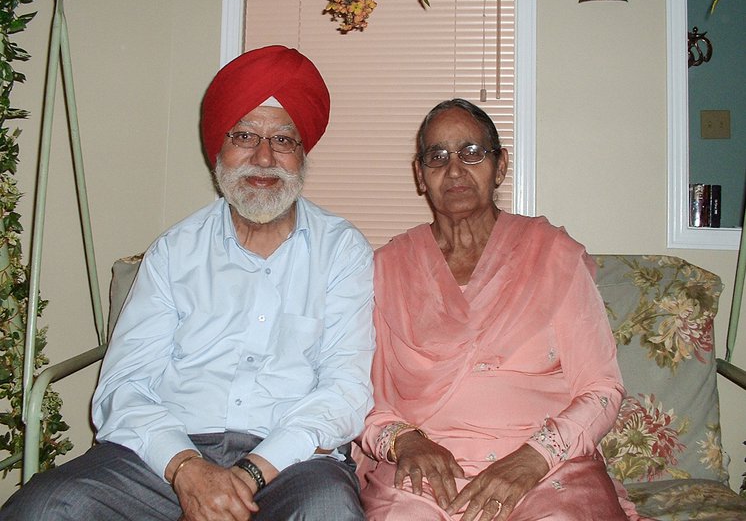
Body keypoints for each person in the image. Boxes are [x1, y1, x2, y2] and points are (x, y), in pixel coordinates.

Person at [1, 45, 375, 521]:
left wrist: (250, 474)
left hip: (290, 462)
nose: (263, 157)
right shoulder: (175, 251)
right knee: (47, 506)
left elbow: (344, 390)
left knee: (329, 510)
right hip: (163, 457)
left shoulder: (342, 250)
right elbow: (124, 384)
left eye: (283, 140)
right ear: (217, 149)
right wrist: (186, 468)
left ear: (302, 155)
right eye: (244, 135)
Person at [357, 98, 648, 521]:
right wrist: (404, 442)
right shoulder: (386, 269)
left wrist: (533, 459)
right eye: (437, 157)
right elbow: (362, 396)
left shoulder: (553, 257)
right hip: (424, 469)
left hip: (545, 468)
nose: (454, 169)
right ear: (420, 175)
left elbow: (601, 390)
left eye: (472, 152)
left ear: (501, 165)